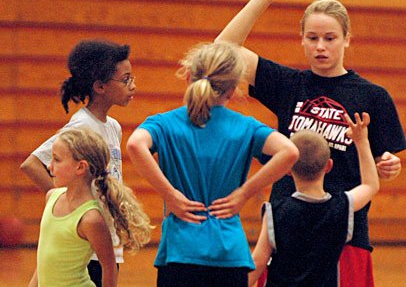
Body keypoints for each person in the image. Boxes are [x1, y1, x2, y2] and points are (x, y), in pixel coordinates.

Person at [215, 0, 406, 286]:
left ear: (347, 39)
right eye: (313, 38)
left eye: (330, 38)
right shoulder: (289, 84)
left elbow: (384, 163)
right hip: (288, 224)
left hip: (344, 231)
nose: (321, 46)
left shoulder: (374, 97)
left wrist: (390, 165)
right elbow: (222, 50)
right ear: (302, 39)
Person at [126, 42, 299, 287]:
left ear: (188, 77)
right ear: (232, 89)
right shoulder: (245, 127)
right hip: (229, 253)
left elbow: (134, 145)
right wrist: (243, 193)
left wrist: (170, 195)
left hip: (180, 251)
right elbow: (290, 151)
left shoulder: (165, 123)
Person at [20, 39, 138, 285]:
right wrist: (66, 204)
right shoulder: (82, 125)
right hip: (86, 247)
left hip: (108, 241)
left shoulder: (113, 127)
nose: (133, 86)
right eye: (126, 80)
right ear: (100, 86)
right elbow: (32, 164)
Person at [249, 112, 380, 286]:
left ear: (287, 168)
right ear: (329, 166)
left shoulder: (275, 212)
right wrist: (361, 141)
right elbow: (370, 185)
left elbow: (257, 262)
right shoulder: (342, 207)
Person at [28, 128, 152, 287]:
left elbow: (109, 266)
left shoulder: (91, 218)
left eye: (56, 160)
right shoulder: (52, 196)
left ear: (80, 167)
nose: (50, 167)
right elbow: (45, 259)